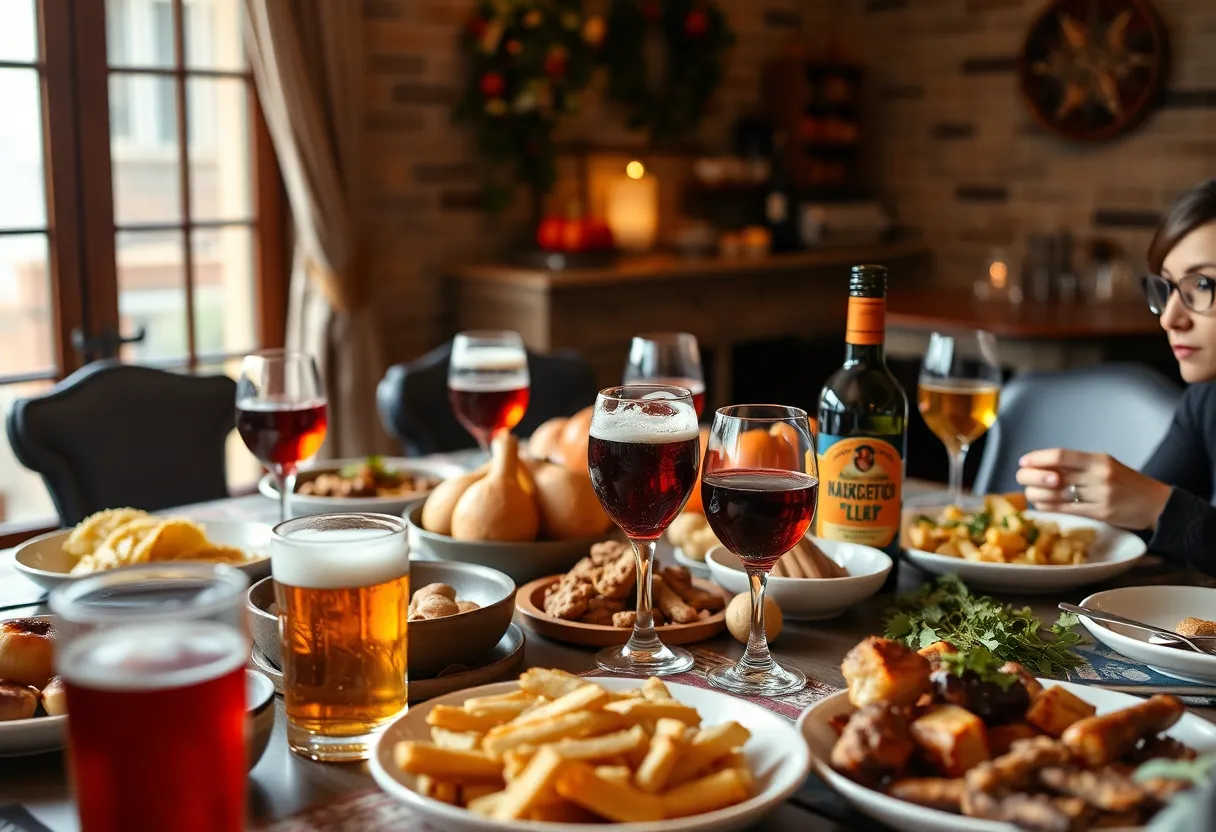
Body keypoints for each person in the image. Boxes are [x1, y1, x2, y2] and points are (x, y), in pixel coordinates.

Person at [1016, 180, 1216, 573]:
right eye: (1170, 288)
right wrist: (1082, 495)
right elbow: (1147, 529)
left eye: (1202, 285)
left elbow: (1162, 512)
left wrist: (1158, 506)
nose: (1172, 318)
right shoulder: (1206, 399)